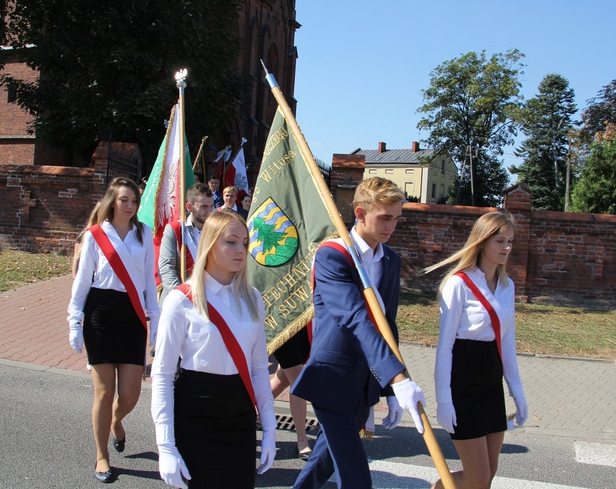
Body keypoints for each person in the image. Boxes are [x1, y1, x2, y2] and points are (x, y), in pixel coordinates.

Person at [291, 177, 427, 488]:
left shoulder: (390, 260)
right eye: (385, 217)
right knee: (355, 477)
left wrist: (391, 390)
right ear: (361, 213)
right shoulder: (333, 254)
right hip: (332, 377)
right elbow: (355, 319)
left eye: (396, 218)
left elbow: (387, 326)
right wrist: (397, 378)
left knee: (321, 464)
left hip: (364, 381)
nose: (391, 226)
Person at [151, 211, 276, 488]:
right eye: (231, 242)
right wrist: (166, 445)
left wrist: (269, 429)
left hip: (239, 416)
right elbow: (162, 375)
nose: (241, 250)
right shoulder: (180, 300)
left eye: (245, 243)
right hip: (195, 414)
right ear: (209, 244)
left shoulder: (252, 298)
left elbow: (258, 369)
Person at [424, 211, 528, 489]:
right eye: (499, 241)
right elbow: (444, 348)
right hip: (464, 385)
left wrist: (517, 394)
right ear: (481, 242)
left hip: (491, 385)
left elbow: (507, 343)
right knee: (477, 477)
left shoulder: (508, 286)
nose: (507, 247)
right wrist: (443, 400)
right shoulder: (458, 284)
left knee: (489, 472)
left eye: (510, 241)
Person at [67, 176, 160, 483]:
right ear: (112, 202)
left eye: (134, 201)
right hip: (101, 315)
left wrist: (155, 321)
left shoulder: (143, 234)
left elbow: (148, 280)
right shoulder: (95, 235)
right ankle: (102, 456)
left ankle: (115, 421)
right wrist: (74, 320)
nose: (130, 206)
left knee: (131, 394)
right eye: (124, 200)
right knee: (104, 392)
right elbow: (82, 280)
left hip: (132, 316)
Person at [158, 183, 215, 303]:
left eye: (211, 206)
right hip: (179, 300)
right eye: (204, 207)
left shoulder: (216, 231)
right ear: (189, 207)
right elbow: (166, 266)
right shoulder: (175, 229)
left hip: (208, 300)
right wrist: (181, 295)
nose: (209, 211)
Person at [270, 326, 313, 461]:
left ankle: (251, 409)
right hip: (279, 319)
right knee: (296, 377)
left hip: (304, 318)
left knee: (284, 378)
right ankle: (302, 440)